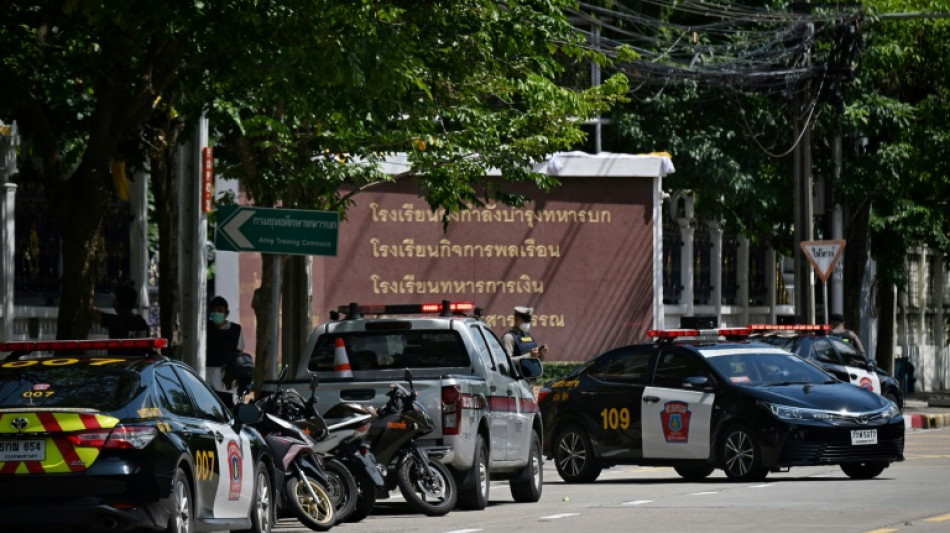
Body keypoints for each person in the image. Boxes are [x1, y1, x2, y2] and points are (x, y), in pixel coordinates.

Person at [206, 295, 245, 407]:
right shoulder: (205, 329)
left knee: (226, 406)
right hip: (208, 374)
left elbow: (239, 353)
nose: (216, 313)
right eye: (213, 310)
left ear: (226, 313)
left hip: (226, 377)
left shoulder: (235, 330)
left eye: (220, 310)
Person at [92, 284, 149, 354]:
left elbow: (92, 313)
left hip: (116, 360)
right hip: (138, 360)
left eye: (115, 300)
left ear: (118, 302)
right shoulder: (141, 322)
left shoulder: (115, 321)